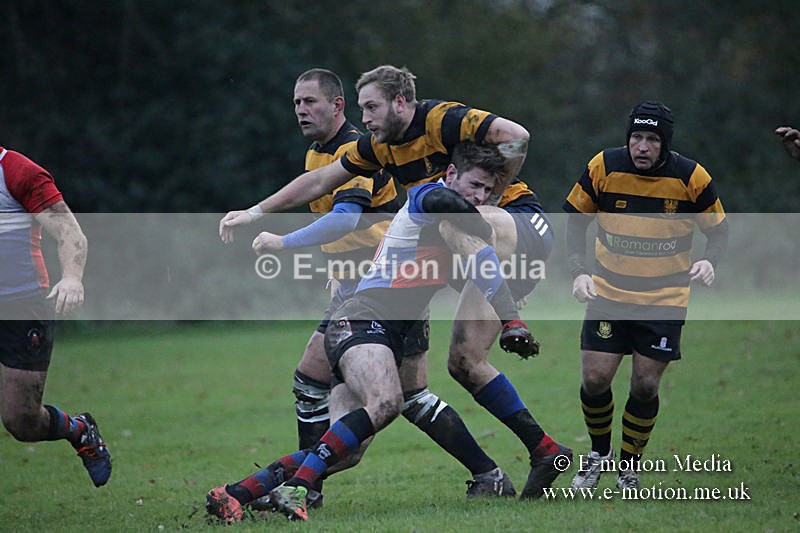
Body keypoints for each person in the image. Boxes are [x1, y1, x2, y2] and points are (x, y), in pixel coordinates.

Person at [219, 65, 570, 499]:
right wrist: (255, 212)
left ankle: (303, 487)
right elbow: (319, 180)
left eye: (371, 107)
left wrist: (494, 194)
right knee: (464, 362)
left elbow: (517, 134)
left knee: (451, 224)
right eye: (362, 108)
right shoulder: (380, 147)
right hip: (460, 258)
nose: (364, 118)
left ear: (401, 103)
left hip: (519, 224)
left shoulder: (442, 119)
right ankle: (544, 450)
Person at [207, 141, 539, 523]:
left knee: (348, 449)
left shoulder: (448, 230)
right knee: (387, 402)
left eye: (486, 190)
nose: (478, 196)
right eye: (473, 185)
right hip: (362, 319)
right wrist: (489, 233)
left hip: (379, 332)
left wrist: (507, 294)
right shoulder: (428, 195)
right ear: (450, 175)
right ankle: (297, 490)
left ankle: (234, 494)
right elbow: (464, 221)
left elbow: (470, 273)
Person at [563, 101, 729, 491]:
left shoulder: (692, 177)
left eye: (651, 140)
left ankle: (629, 467)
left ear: (665, 144)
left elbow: (718, 231)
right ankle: (598, 456)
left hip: (665, 298)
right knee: (595, 378)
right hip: (608, 294)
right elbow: (575, 221)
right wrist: (578, 272)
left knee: (645, 386)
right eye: (636, 137)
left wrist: (710, 263)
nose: (641, 146)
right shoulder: (603, 166)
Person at [0, 145, 111, 487]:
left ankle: (78, 429)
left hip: (21, 307)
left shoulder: (18, 171)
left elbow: (70, 233)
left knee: (21, 422)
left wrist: (72, 278)